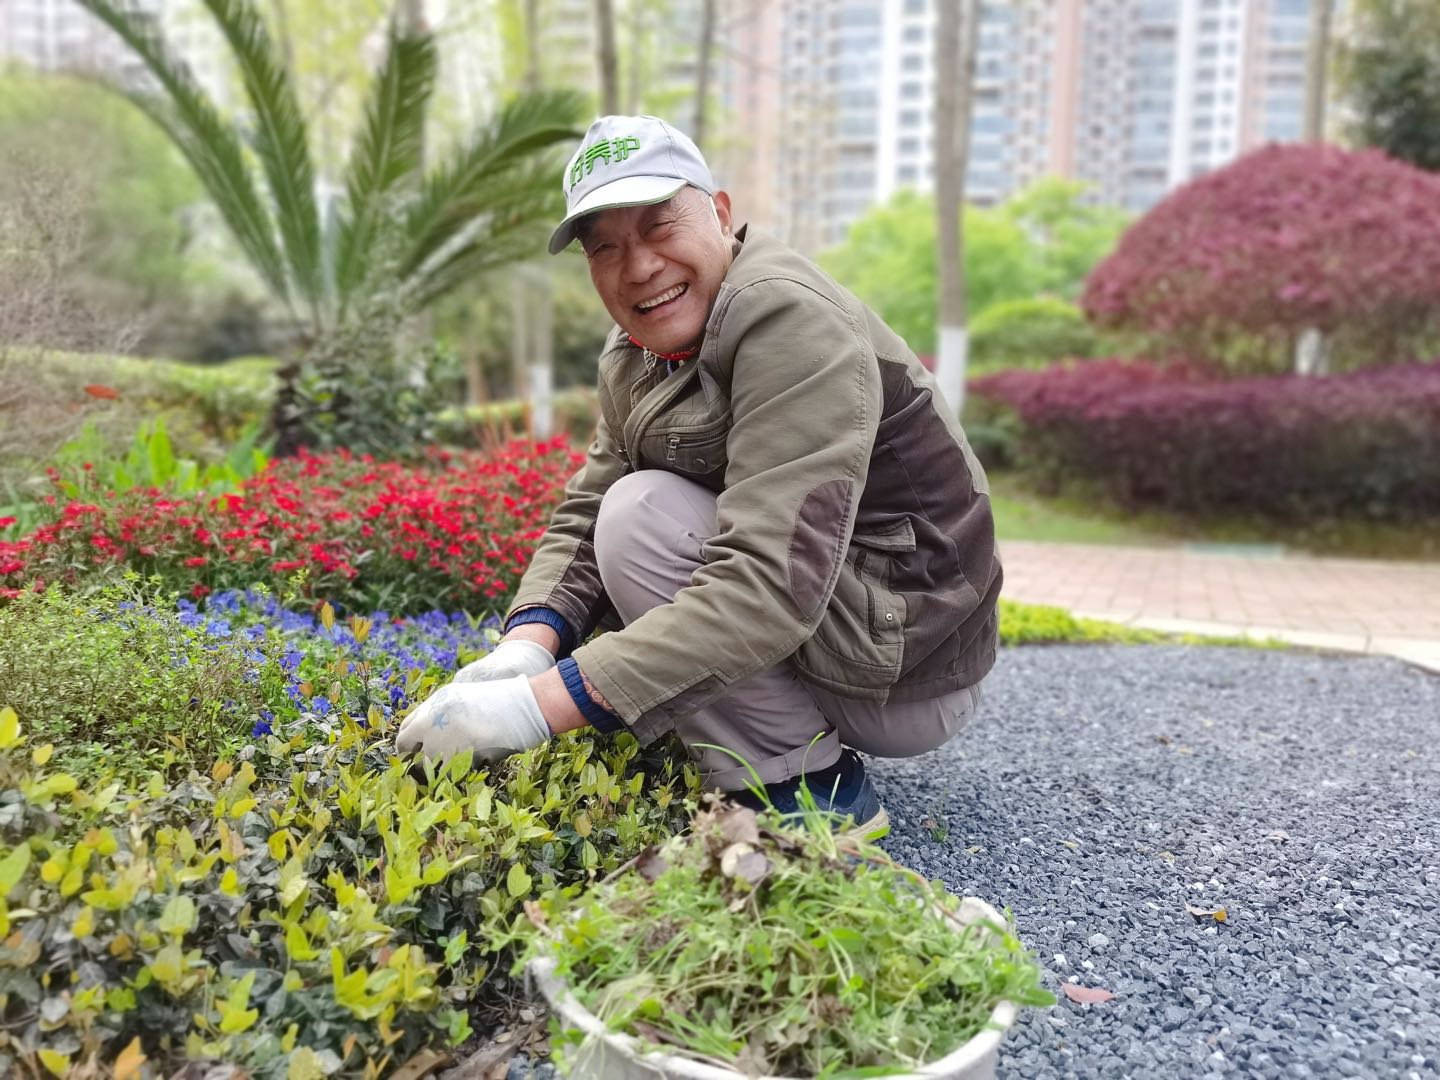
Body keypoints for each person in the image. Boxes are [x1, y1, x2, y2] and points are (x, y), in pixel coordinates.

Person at [396, 115, 1000, 836]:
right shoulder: (637, 350)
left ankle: (809, 787)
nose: (638, 267)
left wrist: (538, 709)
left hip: (904, 669)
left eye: (659, 226)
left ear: (719, 212)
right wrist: (525, 648)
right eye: (605, 247)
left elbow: (770, 582)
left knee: (643, 514)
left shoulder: (788, 319)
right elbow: (587, 511)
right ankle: (760, 732)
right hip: (841, 629)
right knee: (623, 510)